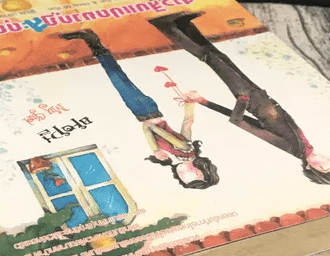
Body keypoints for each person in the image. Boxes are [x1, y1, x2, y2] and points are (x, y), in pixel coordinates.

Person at [148, 12, 330, 184]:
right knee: (219, 58)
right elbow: (250, 121)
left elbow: (239, 121)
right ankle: (184, 26)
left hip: (249, 95)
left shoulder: (292, 148)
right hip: (257, 95)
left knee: (210, 58)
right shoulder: (304, 147)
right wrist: (205, 102)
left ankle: (166, 27)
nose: (329, 161)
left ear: (315, 170)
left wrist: (243, 98)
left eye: (328, 168)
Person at [58, 29, 219, 189]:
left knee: (118, 78)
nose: (184, 175)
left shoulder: (186, 151)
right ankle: (93, 42)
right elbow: (148, 126)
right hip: (145, 110)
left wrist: (190, 103)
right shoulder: (184, 149)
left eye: (184, 179)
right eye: (194, 176)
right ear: (200, 170)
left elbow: (188, 122)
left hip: (145, 111)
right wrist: (155, 150)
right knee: (117, 78)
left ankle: (96, 46)